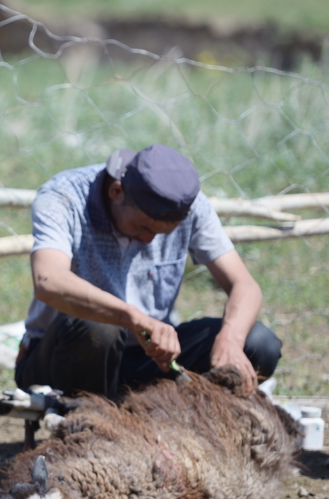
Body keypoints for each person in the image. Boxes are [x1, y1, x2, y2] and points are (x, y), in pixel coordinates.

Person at [15, 144, 282, 400]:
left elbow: (245, 286)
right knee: (101, 326)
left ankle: (184, 417)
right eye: (142, 227)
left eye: (161, 233)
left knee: (258, 344)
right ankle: (84, 416)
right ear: (116, 192)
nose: (149, 241)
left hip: (148, 359)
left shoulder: (189, 206)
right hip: (66, 357)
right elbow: (48, 280)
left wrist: (231, 341)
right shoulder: (64, 197)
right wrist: (132, 317)